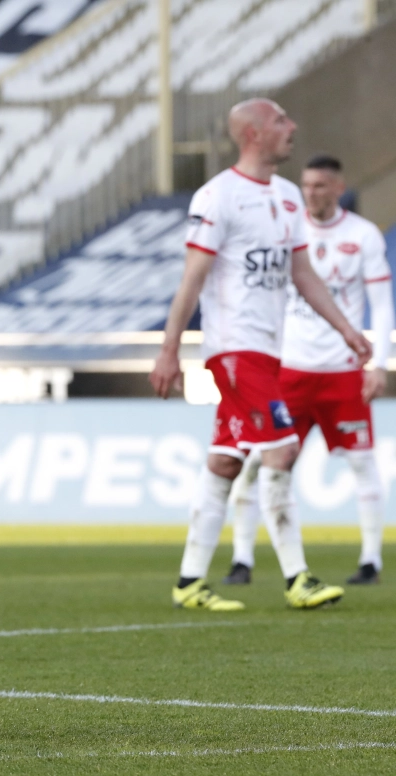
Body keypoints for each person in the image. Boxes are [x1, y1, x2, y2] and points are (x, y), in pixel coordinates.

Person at [149, 98, 371, 610]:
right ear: (252, 134)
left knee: (225, 461)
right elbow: (192, 279)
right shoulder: (218, 196)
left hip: (269, 352)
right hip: (235, 351)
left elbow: (302, 275)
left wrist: (346, 331)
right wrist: (169, 351)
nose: (292, 127)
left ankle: (188, 583)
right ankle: (298, 577)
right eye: (280, 121)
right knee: (281, 449)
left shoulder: (289, 197)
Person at [224, 155, 392, 586]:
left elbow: (382, 302)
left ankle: (371, 559)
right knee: (263, 461)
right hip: (289, 370)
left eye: (320, 186)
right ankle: (242, 559)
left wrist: (379, 361)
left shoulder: (363, 235)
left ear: (339, 188)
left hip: (341, 371)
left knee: (361, 461)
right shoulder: (285, 229)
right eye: (306, 185)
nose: (311, 193)